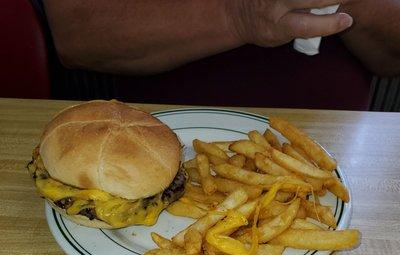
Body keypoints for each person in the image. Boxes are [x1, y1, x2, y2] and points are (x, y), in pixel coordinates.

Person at [35, 1, 400, 109]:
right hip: (152, 145)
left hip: (341, 162)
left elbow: (391, 59)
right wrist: (238, 15)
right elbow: (77, 35)